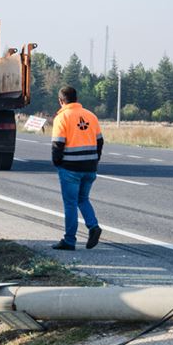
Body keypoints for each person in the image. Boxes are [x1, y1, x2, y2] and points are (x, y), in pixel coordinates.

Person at [51, 86, 103, 251]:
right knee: (83, 199)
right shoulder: (91, 116)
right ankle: (93, 226)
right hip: (90, 167)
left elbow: (57, 144)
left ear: (61, 101)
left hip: (71, 168)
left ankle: (69, 240)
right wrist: (95, 160)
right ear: (76, 98)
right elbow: (100, 141)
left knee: (71, 203)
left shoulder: (62, 117)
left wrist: (57, 162)